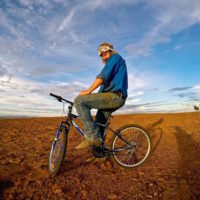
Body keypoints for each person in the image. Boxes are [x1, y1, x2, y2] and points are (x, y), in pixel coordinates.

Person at [74, 42, 128, 150]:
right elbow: (102, 90)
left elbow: (102, 76)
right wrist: (93, 97)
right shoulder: (112, 64)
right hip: (112, 97)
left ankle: (92, 137)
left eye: (104, 49)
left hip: (115, 96)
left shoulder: (115, 57)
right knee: (99, 125)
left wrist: (89, 91)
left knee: (79, 101)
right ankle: (100, 154)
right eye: (99, 51)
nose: (102, 52)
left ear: (111, 49)